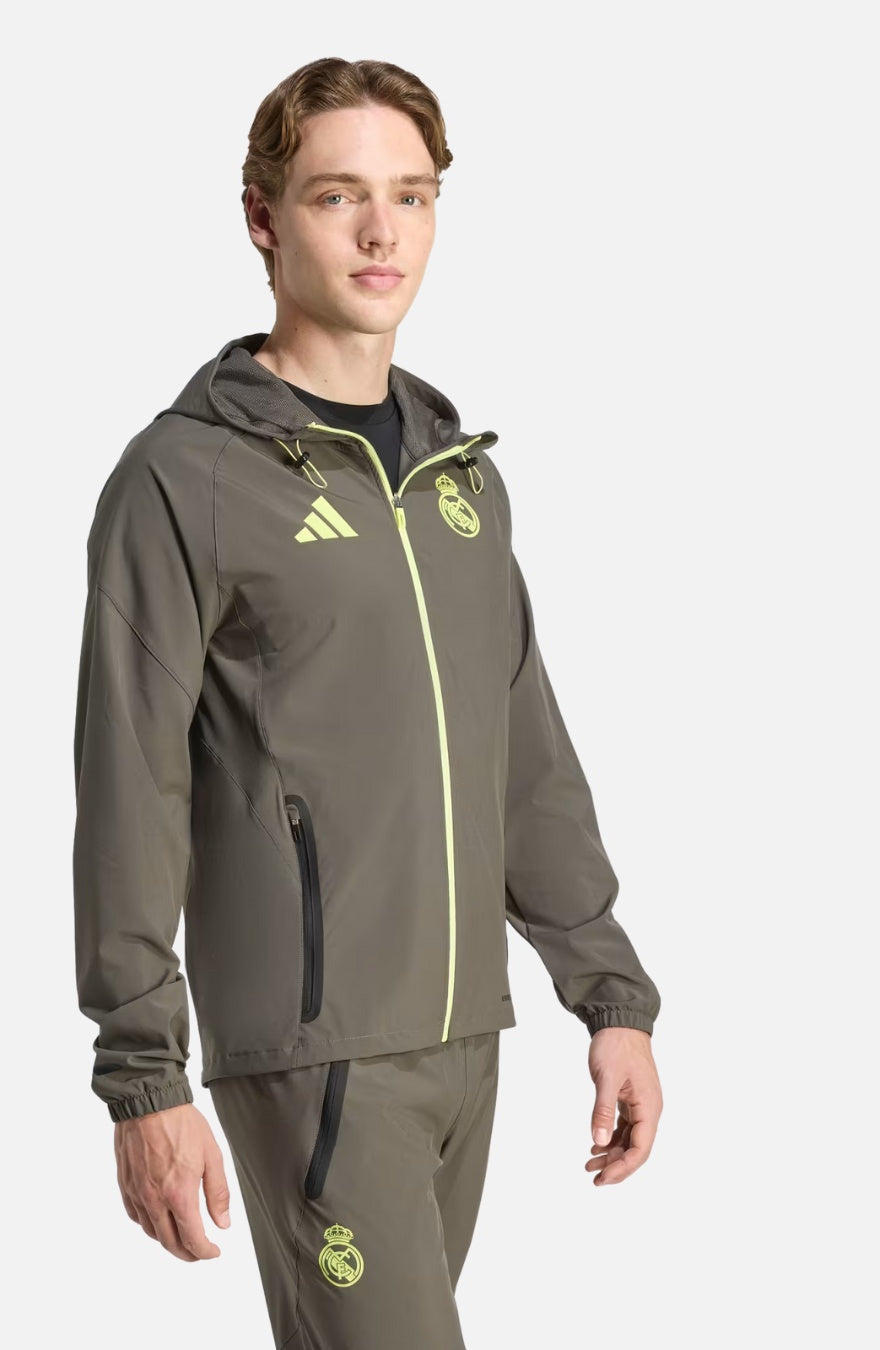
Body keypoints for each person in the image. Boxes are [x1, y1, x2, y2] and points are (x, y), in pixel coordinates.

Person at [73, 55, 663, 1349]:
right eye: (339, 195)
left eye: (412, 194)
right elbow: (130, 784)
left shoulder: (462, 484)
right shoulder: (185, 478)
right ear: (263, 216)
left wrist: (609, 995)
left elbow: (526, 760)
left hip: (467, 1040)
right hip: (315, 1053)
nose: (382, 231)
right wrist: (142, 1076)